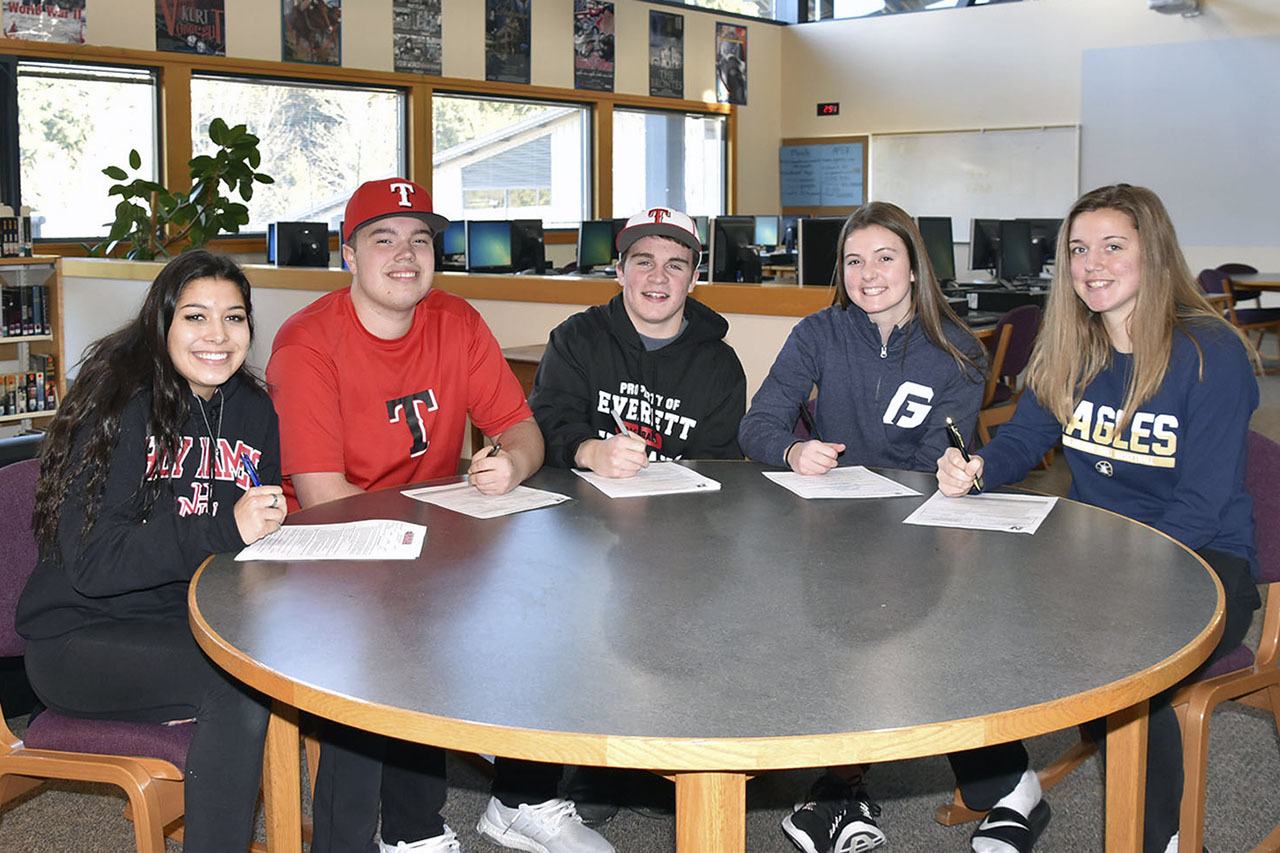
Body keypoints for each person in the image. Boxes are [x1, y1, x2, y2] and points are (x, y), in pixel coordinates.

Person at [266, 177, 610, 853]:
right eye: (383, 238)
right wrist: (431, 546)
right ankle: (384, 834)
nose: (405, 253)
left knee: (541, 594)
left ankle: (519, 797)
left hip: (427, 537)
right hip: (324, 550)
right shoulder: (307, 341)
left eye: (420, 239)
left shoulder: (456, 321)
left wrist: (510, 461)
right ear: (348, 255)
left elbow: (523, 427)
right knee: (375, 638)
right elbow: (324, 494)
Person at [936, 183, 1262, 853]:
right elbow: (1025, 441)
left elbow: (1200, 507)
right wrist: (976, 469)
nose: (1092, 264)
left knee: (1125, 639)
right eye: (1079, 249)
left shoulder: (1210, 354)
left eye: (1113, 246)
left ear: (1154, 254)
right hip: (1094, 555)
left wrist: (1108, 576)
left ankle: (1162, 840)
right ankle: (1004, 785)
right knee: (953, 603)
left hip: (1205, 562)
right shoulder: (1072, 346)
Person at [738, 201, 986, 853]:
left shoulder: (955, 349)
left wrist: (954, 472)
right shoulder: (819, 332)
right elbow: (757, 423)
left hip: (916, 535)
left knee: (873, 618)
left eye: (885, 257)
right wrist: (792, 450)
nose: (868, 273)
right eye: (854, 260)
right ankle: (836, 781)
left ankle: (839, 788)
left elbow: (943, 462)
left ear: (914, 268)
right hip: (833, 527)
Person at [17, 250, 283, 853]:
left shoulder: (253, 410)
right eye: (195, 316)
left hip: (184, 624)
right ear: (162, 323)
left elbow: (245, 545)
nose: (217, 335)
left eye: (235, 318)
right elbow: (92, 562)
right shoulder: (120, 406)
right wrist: (224, 527)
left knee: (310, 657)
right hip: (78, 640)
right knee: (237, 684)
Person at [531, 206, 746, 477]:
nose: (658, 277)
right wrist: (592, 452)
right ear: (620, 272)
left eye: (675, 266)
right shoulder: (575, 339)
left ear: (693, 280)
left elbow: (719, 466)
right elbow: (547, 427)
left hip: (681, 510)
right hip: (583, 504)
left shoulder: (720, 365)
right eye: (644, 262)